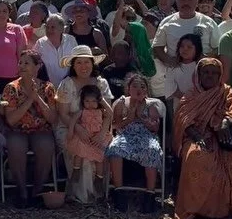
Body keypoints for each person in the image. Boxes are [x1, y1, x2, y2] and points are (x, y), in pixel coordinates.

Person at [172, 58, 232, 219]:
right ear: (199, 74)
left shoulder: (226, 92)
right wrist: (197, 137)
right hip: (199, 136)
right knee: (196, 156)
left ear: (220, 75)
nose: (210, 76)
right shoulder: (191, 95)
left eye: (214, 73)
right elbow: (183, 118)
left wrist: (226, 121)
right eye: (206, 72)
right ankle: (197, 209)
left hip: (227, 138)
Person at [56, 46, 114, 203]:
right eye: (79, 63)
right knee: (82, 151)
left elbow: (108, 113)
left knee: (99, 147)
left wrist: (102, 133)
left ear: (92, 64)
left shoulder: (101, 83)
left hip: (99, 128)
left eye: (87, 62)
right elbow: (63, 114)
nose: (83, 66)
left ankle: (99, 191)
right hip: (70, 126)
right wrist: (78, 128)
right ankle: (82, 194)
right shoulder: (66, 84)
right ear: (73, 66)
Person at [2, 51, 57, 205]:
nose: (22, 66)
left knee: (46, 147)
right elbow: (11, 120)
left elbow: (52, 118)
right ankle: (22, 192)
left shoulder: (48, 87)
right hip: (17, 130)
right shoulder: (11, 88)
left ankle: (37, 191)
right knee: (15, 147)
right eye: (20, 63)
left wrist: (37, 97)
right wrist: (29, 100)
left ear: (37, 66)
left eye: (27, 63)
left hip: (41, 130)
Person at [106, 74, 163, 196]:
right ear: (128, 88)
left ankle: (150, 193)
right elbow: (114, 125)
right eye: (135, 86)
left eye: (142, 87)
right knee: (114, 148)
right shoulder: (121, 103)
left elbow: (155, 128)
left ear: (146, 90)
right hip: (125, 136)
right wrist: (129, 117)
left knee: (153, 149)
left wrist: (143, 119)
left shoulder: (151, 105)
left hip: (146, 136)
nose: (139, 90)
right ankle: (118, 191)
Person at [153, 0, 219, 68]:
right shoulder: (166, 23)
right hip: (175, 72)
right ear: (176, 0)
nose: (185, 3)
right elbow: (157, 47)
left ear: (196, 1)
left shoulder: (208, 22)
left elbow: (218, 48)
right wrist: (169, 60)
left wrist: (205, 59)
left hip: (202, 72)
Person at [66, 83, 111, 182]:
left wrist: (102, 101)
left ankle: (99, 178)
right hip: (85, 136)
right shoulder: (82, 111)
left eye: (94, 101)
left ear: (98, 101)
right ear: (82, 101)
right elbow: (73, 121)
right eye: (87, 101)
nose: (90, 104)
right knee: (79, 152)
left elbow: (110, 113)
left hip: (97, 136)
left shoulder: (101, 111)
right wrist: (70, 132)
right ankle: (76, 170)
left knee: (99, 157)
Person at [110, 0, 155, 77]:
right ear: (121, 18)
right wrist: (121, 5)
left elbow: (147, 16)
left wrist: (138, 0)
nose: (130, 21)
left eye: (133, 18)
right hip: (119, 70)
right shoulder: (118, 32)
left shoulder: (137, 30)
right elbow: (116, 22)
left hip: (136, 71)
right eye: (128, 18)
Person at [34, 13, 76, 87]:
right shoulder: (40, 43)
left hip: (69, 87)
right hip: (47, 87)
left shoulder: (71, 40)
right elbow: (34, 64)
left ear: (62, 29)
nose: (49, 30)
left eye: (53, 27)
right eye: (47, 27)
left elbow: (77, 61)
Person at [164, 33, 203, 105]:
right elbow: (170, 88)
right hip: (180, 105)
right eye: (182, 46)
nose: (185, 49)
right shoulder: (173, 67)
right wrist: (187, 99)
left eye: (189, 47)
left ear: (197, 49)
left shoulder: (201, 66)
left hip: (200, 104)